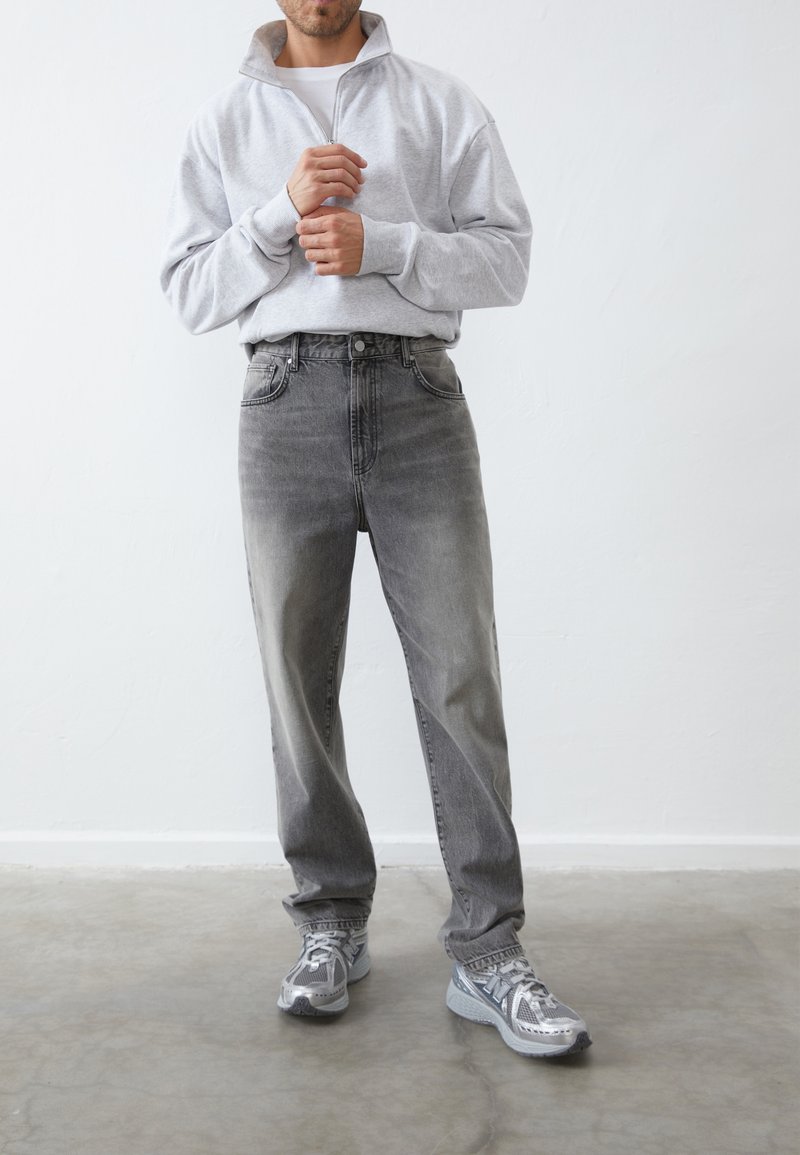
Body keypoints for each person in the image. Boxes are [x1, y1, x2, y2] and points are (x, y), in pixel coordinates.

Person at [159, 0, 592, 1059]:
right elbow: (189, 291)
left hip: (416, 399)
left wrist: (382, 245)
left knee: (459, 678)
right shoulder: (224, 120)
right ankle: (330, 925)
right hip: (283, 402)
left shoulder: (438, 104)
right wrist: (279, 213)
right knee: (295, 677)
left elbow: (508, 262)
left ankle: (488, 949)